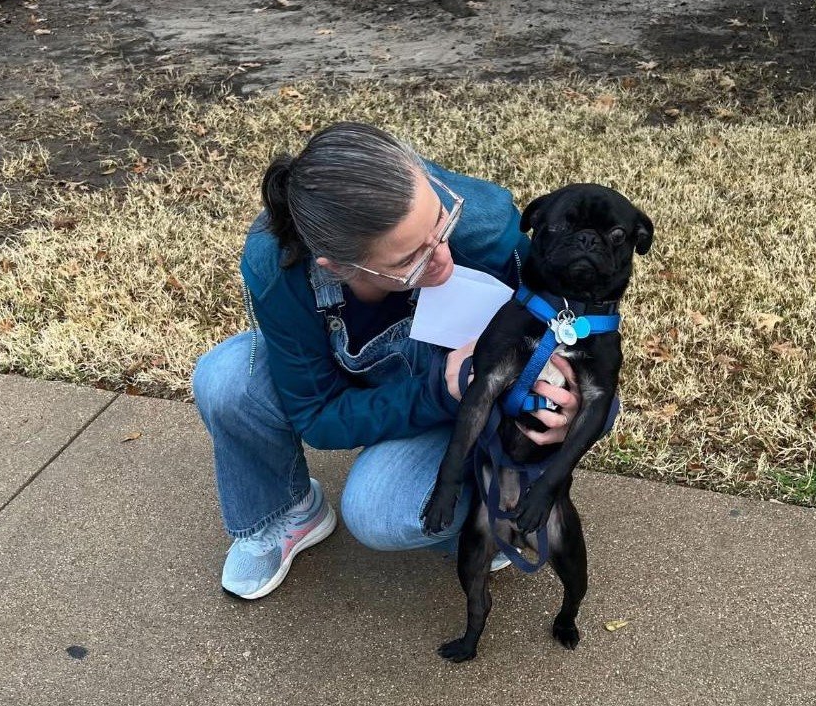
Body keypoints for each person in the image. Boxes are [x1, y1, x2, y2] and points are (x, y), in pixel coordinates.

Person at [192, 122, 582, 600]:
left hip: (466, 408)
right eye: (409, 260)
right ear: (335, 266)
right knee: (226, 377)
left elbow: (575, 337)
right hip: (415, 388)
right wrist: (442, 387)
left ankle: (492, 512)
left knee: (378, 510)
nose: (441, 257)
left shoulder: (488, 230)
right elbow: (316, 415)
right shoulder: (277, 264)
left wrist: (567, 408)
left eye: (441, 223)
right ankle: (286, 513)